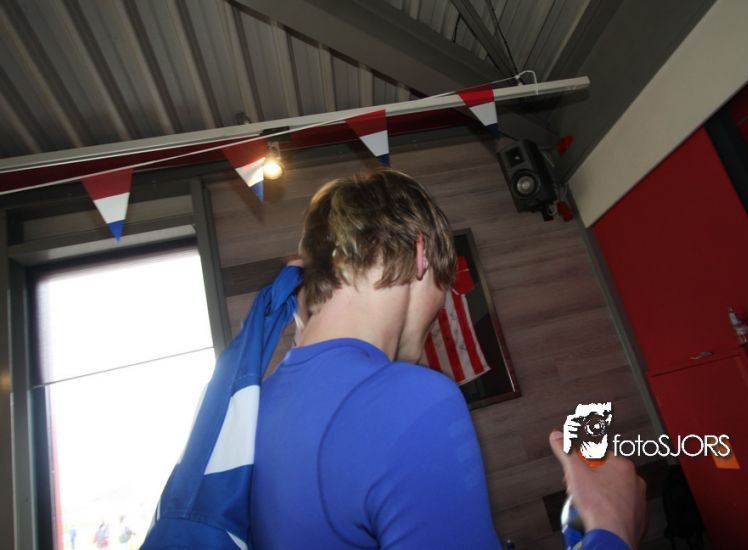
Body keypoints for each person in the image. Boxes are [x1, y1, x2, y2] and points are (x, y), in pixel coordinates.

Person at [250, 169, 646, 549]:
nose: (440, 307)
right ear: (421, 254)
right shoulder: (406, 400)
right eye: (445, 284)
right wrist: (611, 524)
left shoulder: (259, 403)